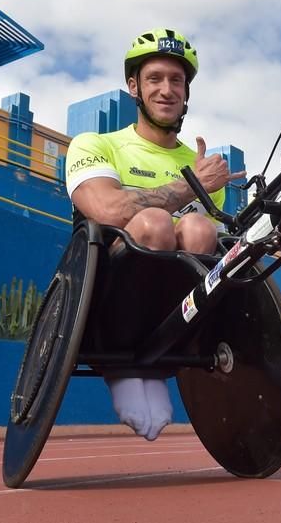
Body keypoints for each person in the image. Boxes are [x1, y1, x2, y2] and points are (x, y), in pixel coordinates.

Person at [64, 27, 245, 440]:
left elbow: (213, 247)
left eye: (176, 81)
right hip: (107, 295)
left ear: (186, 92)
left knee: (201, 227)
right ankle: (125, 368)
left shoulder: (198, 162)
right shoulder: (96, 143)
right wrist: (190, 185)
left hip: (174, 308)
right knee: (154, 222)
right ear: (134, 87)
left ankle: (161, 364)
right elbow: (106, 210)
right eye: (155, 79)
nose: (167, 90)